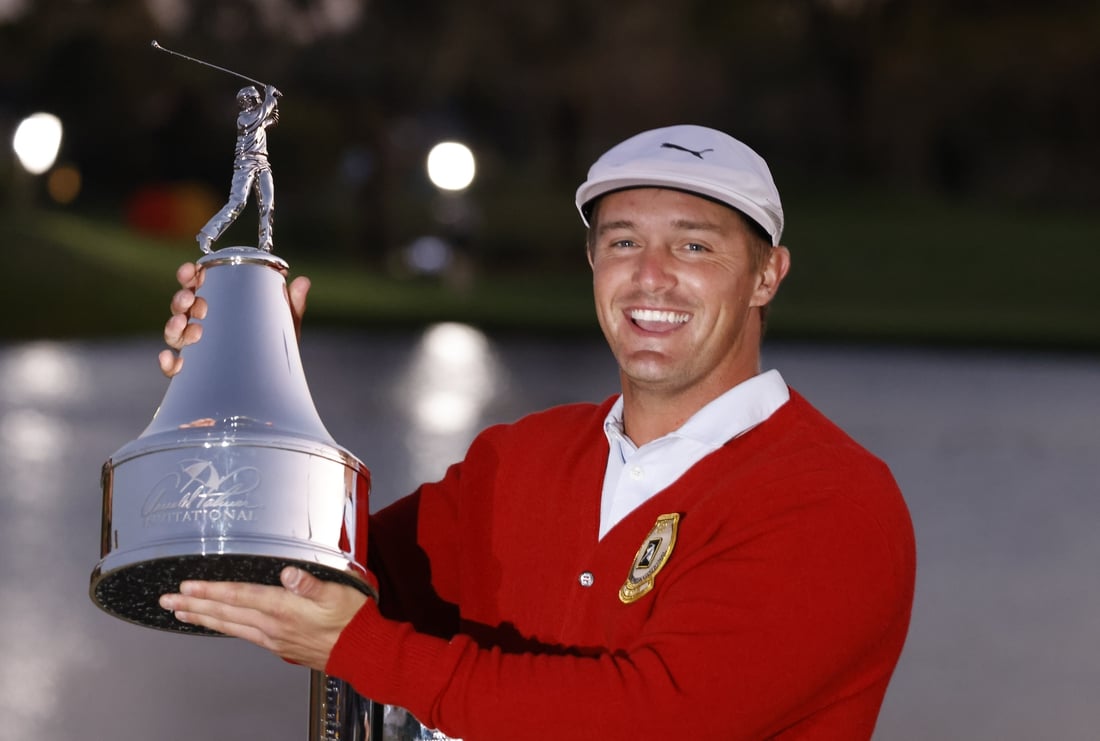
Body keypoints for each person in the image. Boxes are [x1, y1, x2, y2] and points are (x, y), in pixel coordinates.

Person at [159, 124, 916, 740]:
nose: (650, 276)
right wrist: (244, 388)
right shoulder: (522, 459)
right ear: (592, 260)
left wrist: (364, 648)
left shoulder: (833, 500)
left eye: (694, 245)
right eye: (622, 242)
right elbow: (298, 577)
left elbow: (657, 719)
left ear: (766, 274)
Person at [196, 84, 281, 254]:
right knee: (238, 203)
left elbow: (272, 119)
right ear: (246, 101)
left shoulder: (257, 118)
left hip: (263, 163)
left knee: (267, 204)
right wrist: (269, 95)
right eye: (255, 98)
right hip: (245, 164)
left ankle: (265, 247)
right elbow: (264, 112)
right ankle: (206, 235)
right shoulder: (244, 119)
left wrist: (275, 102)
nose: (258, 100)